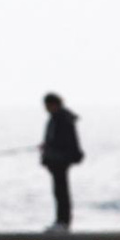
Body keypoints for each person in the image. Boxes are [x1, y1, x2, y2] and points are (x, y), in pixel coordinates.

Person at [39, 93, 83, 232]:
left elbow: (64, 141)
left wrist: (49, 146)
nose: (45, 108)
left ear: (53, 104)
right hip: (58, 159)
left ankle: (63, 222)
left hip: (60, 160)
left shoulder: (61, 118)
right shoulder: (59, 117)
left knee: (61, 192)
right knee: (59, 192)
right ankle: (61, 221)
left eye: (46, 105)